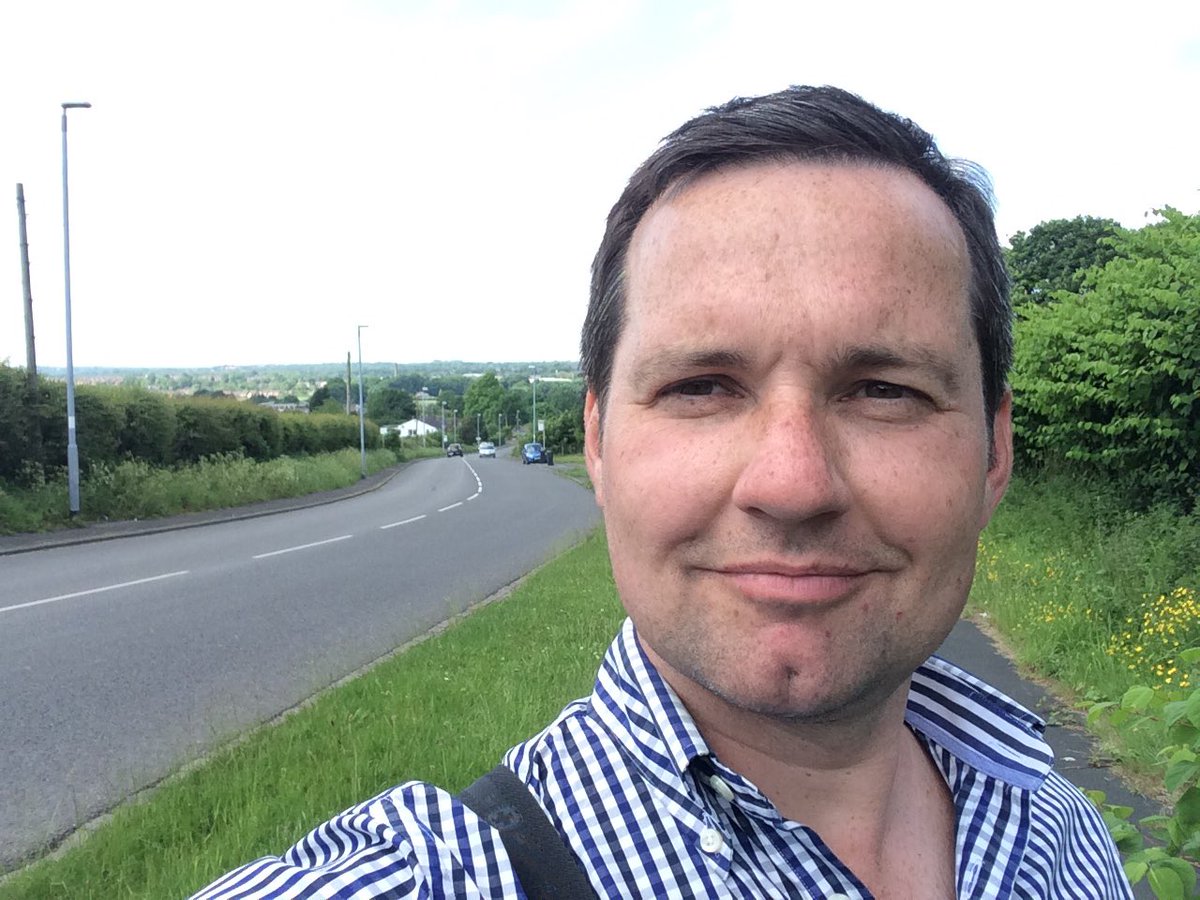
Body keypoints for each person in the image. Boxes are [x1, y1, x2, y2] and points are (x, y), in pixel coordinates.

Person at [194, 86, 1131, 899]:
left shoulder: (1062, 834)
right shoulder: (435, 874)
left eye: (885, 391)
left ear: (993, 450)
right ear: (598, 442)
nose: (792, 483)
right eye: (701, 388)